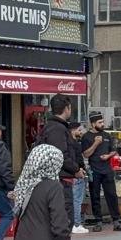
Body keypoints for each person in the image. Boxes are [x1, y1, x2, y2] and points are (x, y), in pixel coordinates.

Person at [39, 94, 85, 226]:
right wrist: (76, 169)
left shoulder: (54, 127)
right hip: (60, 182)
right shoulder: (57, 129)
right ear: (67, 108)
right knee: (63, 221)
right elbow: (61, 155)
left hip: (57, 181)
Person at [81, 112, 121, 232]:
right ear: (93, 124)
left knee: (112, 195)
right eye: (100, 122)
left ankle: (116, 221)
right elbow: (86, 154)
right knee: (95, 195)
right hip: (94, 170)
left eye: (102, 122)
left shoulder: (107, 135)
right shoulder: (86, 137)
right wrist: (95, 144)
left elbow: (113, 150)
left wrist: (108, 156)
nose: (102, 124)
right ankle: (98, 221)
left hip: (107, 169)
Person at [68, 120, 90, 235]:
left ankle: (73, 223)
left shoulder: (68, 143)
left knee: (73, 200)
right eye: (79, 130)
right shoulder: (74, 144)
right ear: (73, 130)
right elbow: (76, 159)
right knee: (77, 200)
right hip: (77, 175)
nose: (81, 132)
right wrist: (79, 169)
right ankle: (76, 224)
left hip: (73, 174)